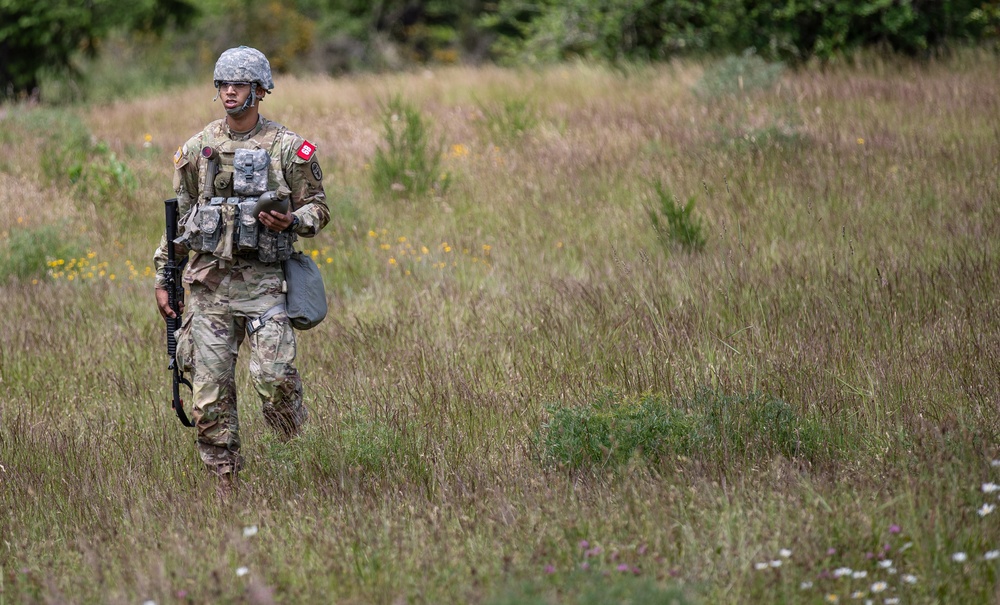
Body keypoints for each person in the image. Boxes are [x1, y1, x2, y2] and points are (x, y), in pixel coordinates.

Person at [153, 46, 330, 489]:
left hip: (266, 283)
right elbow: (180, 222)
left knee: (275, 377)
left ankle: (294, 446)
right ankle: (224, 484)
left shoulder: (289, 148)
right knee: (209, 395)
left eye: (239, 84)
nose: (229, 91)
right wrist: (164, 277)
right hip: (209, 286)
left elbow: (318, 209)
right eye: (223, 84)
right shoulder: (198, 149)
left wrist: (292, 221)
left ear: (260, 90)